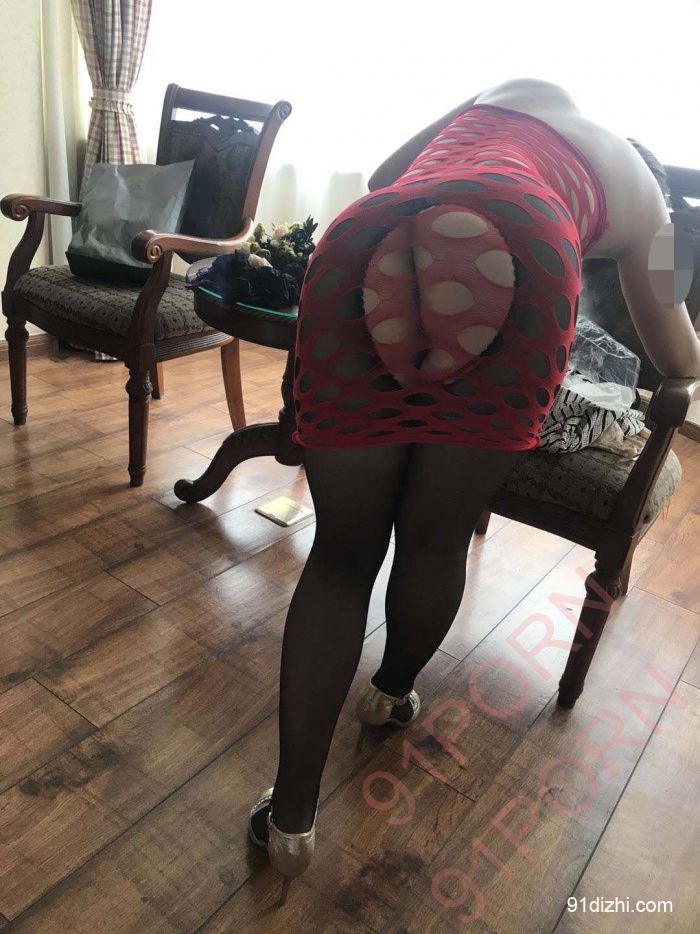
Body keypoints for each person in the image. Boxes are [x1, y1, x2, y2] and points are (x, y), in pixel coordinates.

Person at [248, 78, 700, 885]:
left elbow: (386, 174)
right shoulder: (648, 201)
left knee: (342, 557)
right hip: (531, 253)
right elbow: (679, 354)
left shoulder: (516, 88)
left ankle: (290, 817)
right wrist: (621, 254)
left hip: (369, 236)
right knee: (436, 538)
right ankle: (390, 695)